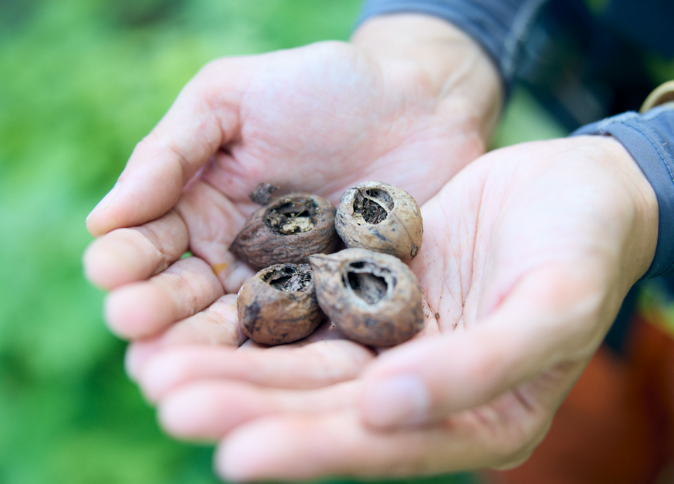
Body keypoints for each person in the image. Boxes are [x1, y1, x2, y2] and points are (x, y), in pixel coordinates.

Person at [83, 0, 674, 481]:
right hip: (555, 291)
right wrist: (434, 51)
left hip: (570, 250)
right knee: (573, 442)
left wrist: (646, 172)